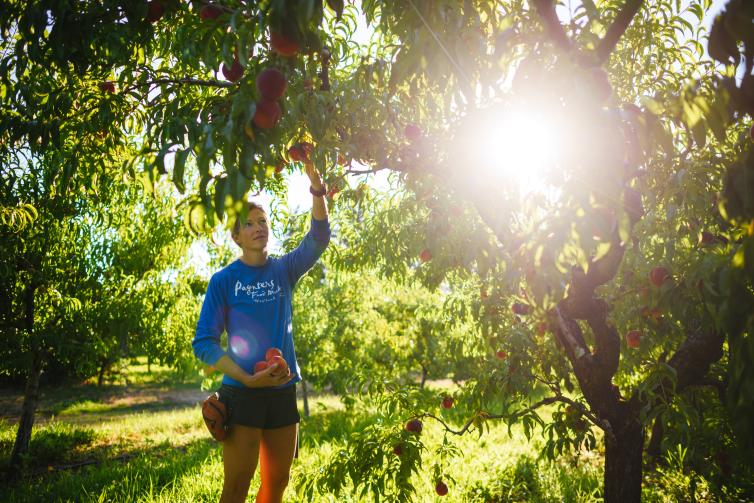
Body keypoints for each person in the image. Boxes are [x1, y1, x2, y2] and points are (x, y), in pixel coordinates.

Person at [192, 159, 330, 503]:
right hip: (242, 393)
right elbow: (204, 343)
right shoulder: (223, 281)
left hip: (282, 391)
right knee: (237, 484)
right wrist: (245, 378)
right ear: (236, 236)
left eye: (263, 221)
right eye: (249, 223)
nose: (259, 227)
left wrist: (317, 189)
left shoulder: (284, 270)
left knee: (277, 484)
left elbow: (319, 238)